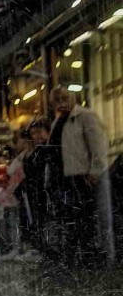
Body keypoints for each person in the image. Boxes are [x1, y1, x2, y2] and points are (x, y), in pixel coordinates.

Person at [46, 87, 109, 268]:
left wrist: (94, 171)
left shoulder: (84, 116)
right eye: (56, 100)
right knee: (69, 219)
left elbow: (97, 146)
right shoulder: (59, 121)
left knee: (84, 218)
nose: (61, 102)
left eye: (64, 98)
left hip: (79, 176)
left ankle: (89, 257)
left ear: (73, 97)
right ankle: (75, 257)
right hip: (63, 178)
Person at [20, 119, 52, 257]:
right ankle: (40, 246)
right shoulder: (35, 150)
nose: (36, 136)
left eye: (38, 132)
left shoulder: (47, 150)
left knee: (44, 218)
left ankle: (45, 247)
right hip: (34, 190)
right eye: (33, 134)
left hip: (43, 190)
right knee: (36, 218)